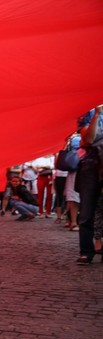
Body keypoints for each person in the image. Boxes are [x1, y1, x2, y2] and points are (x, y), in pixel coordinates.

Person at [75, 105, 103, 264]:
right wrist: (97, 114)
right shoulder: (88, 112)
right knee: (87, 211)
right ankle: (86, 251)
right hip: (90, 166)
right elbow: (88, 139)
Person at [33, 154, 55, 218]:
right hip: (41, 177)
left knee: (49, 195)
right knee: (40, 195)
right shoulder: (38, 158)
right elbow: (36, 168)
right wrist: (46, 167)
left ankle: (48, 212)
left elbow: (52, 166)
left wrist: (42, 167)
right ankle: (40, 212)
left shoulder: (52, 158)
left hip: (49, 177)